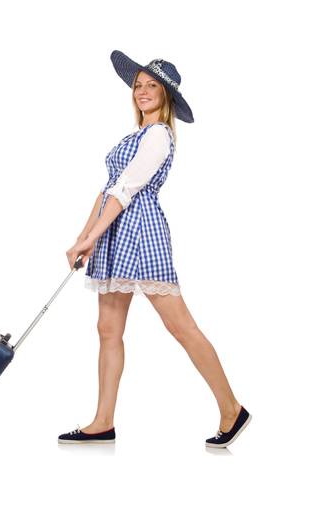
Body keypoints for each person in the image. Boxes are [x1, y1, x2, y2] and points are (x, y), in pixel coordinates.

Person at [59, 52, 249, 448]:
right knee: (107, 329)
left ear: (166, 96)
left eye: (152, 86)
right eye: (139, 85)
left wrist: (94, 236)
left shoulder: (159, 135)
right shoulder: (132, 135)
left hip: (141, 232)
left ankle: (232, 408)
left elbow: (127, 188)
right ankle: (102, 421)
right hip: (113, 230)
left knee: (180, 326)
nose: (143, 91)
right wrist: (83, 236)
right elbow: (108, 187)